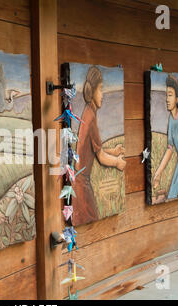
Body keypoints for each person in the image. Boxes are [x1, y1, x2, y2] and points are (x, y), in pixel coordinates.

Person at [72, 66, 126, 226]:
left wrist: (114, 151)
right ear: (93, 90)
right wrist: (117, 162)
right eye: (101, 90)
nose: (103, 95)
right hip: (81, 185)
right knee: (91, 221)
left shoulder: (88, 113)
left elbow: (95, 151)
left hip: (80, 182)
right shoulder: (90, 118)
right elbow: (101, 157)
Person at [153, 74, 178, 199]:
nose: (167, 99)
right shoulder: (171, 119)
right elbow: (170, 149)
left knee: (176, 195)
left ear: (177, 99)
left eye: (170, 95)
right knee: (172, 195)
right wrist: (158, 174)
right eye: (166, 95)